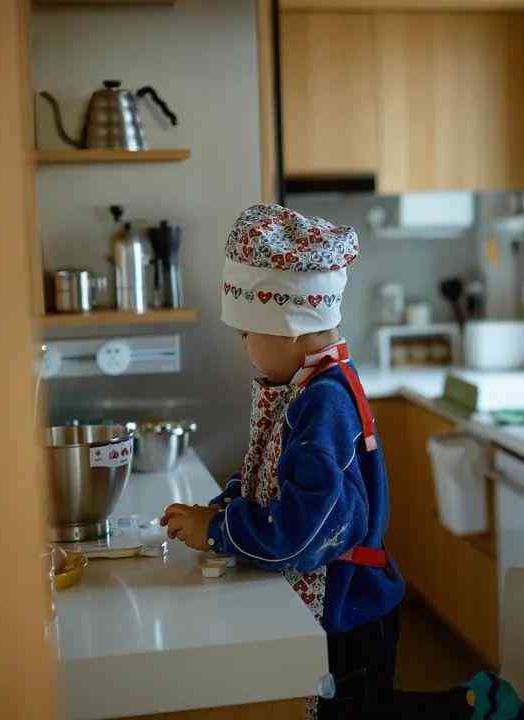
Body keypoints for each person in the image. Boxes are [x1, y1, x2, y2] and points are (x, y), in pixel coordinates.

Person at [161, 204, 405, 720]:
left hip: (348, 617)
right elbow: (270, 474)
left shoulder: (324, 403)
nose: (244, 348)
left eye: (245, 335)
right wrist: (221, 509)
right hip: (341, 608)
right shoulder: (307, 386)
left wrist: (220, 530)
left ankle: (474, 706)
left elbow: (303, 533)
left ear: (289, 326)